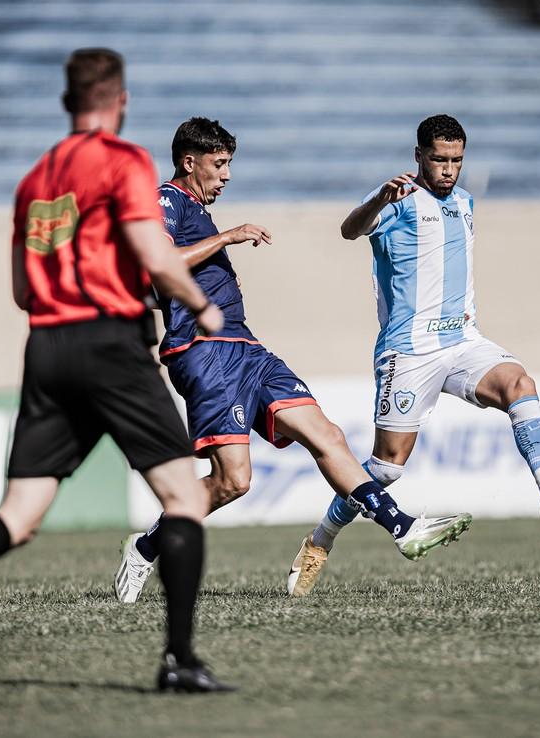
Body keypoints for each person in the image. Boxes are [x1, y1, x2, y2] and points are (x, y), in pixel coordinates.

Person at [0, 48, 232, 695]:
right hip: (111, 343)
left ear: (67, 103)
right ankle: (178, 658)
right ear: (119, 101)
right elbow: (153, 252)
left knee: (17, 514)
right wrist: (200, 305)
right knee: (181, 498)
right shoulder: (122, 162)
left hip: (47, 348)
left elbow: (19, 290)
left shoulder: (34, 179)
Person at [113, 118, 473, 604]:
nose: (226, 176)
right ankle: (144, 547)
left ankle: (400, 525)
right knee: (233, 481)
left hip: (245, 348)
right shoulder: (167, 199)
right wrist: (228, 237)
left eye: (229, 166)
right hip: (203, 352)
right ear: (188, 162)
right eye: (219, 166)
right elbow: (159, 261)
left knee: (326, 434)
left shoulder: (196, 209)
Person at [288, 114, 540, 596]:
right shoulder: (395, 200)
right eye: (439, 159)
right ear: (418, 156)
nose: (449, 169)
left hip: (463, 341)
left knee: (520, 384)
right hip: (409, 350)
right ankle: (319, 541)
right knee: (387, 467)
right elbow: (349, 231)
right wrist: (378, 198)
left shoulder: (465, 203)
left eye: (457, 160)